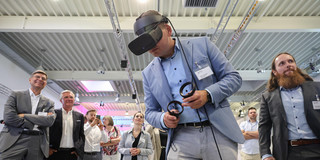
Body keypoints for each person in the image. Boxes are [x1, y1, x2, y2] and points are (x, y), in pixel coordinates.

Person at [129, 10, 244, 159]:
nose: (151, 48)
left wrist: (208, 94)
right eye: (146, 44)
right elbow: (150, 112)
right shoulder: (148, 74)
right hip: (181, 139)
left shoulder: (202, 45)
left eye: (154, 39)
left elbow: (234, 78)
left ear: (168, 30)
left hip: (218, 131)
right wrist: (163, 118)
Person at [259, 52, 320, 160]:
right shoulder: (268, 97)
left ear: (295, 66)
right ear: (275, 72)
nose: (288, 64)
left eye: (290, 61)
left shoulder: (316, 88)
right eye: (282, 63)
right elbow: (264, 127)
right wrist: (265, 153)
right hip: (287, 153)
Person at [0, 70, 56, 160]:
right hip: (15, 138)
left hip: (37, 141)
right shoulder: (16, 95)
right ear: (30, 80)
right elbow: (9, 117)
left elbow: (49, 121)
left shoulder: (49, 103)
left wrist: (24, 115)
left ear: (45, 83)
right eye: (37, 77)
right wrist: (35, 123)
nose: (40, 79)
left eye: (43, 79)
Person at [48, 90, 85, 160]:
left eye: (71, 97)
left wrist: (78, 150)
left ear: (74, 100)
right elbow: (47, 132)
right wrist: (48, 148)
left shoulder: (79, 116)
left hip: (72, 153)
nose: (69, 99)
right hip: (54, 152)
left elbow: (81, 135)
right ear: (61, 100)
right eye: (66, 97)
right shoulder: (53, 113)